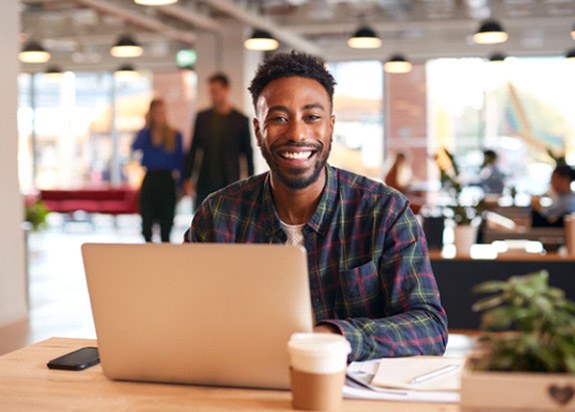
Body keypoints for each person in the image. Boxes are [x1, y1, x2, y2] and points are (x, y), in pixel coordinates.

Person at [184, 51, 447, 362]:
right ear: (258, 131)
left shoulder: (385, 212)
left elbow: (429, 326)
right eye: (279, 118)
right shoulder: (218, 216)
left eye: (312, 117)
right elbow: (185, 315)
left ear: (331, 126)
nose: (297, 134)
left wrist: (335, 337)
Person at [184, 73, 255, 210]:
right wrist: (187, 178)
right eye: (211, 92)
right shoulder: (202, 118)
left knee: (228, 221)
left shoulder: (240, 120)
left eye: (216, 91)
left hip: (230, 181)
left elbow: (247, 154)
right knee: (203, 220)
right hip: (205, 180)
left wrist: (252, 183)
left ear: (226, 89)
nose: (213, 95)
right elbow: (193, 149)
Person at [132, 98, 184, 242]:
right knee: (147, 225)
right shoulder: (146, 134)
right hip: (150, 180)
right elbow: (135, 146)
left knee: (166, 226)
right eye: (156, 113)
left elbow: (180, 163)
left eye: (161, 112)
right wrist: (147, 125)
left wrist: (180, 187)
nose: (159, 116)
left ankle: (165, 260)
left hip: (166, 181)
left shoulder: (175, 135)